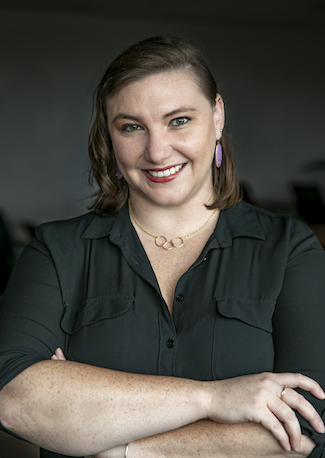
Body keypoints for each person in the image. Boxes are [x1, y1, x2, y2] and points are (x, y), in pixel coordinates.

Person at [0, 35, 324, 458]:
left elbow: (308, 424)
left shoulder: (288, 250)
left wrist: (121, 447)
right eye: (132, 127)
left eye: (179, 120)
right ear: (110, 136)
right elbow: (14, 397)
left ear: (217, 115)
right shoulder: (57, 251)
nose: (156, 151)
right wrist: (214, 398)